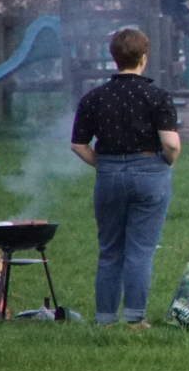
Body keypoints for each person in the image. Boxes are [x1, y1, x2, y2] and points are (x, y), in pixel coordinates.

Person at [69, 27, 181, 327]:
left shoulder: (93, 98)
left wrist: (104, 165)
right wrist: (165, 163)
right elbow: (171, 143)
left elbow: (78, 144)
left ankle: (104, 318)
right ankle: (134, 319)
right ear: (144, 57)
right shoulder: (156, 96)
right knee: (139, 251)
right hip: (148, 172)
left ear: (114, 58)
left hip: (108, 174)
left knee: (109, 250)